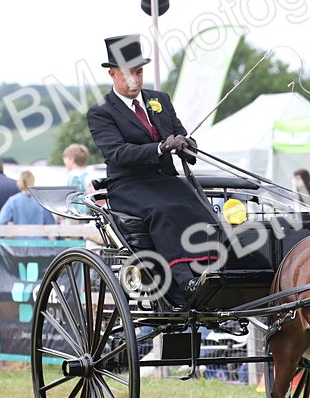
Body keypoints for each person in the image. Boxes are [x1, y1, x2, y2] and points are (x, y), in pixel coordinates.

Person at [85, 33, 219, 307]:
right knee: (164, 210)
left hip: (165, 180)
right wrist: (160, 148)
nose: (135, 80)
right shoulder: (101, 112)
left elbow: (181, 134)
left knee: (201, 207)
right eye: (128, 74)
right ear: (112, 74)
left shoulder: (160, 100)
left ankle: (216, 271)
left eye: (139, 72)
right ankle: (184, 281)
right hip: (128, 185)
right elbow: (117, 153)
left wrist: (186, 145)